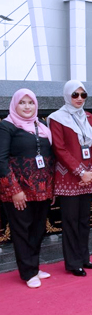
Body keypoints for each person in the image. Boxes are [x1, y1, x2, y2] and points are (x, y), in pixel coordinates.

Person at [0, 89, 54, 288]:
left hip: (42, 190)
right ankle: (28, 272)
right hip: (19, 191)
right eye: (22, 102)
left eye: (30, 102)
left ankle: (34, 265)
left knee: (38, 229)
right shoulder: (7, 126)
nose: (27, 106)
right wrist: (14, 190)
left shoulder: (41, 126)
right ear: (14, 105)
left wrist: (51, 188)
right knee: (22, 230)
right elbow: (1, 160)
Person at [48, 80, 92, 277]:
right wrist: (81, 171)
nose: (79, 99)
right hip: (69, 176)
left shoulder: (89, 117)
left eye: (83, 95)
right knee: (70, 220)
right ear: (67, 95)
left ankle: (84, 257)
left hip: (89, 174)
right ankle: (72, 262)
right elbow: (59, 148)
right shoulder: (57, 118)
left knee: (84, 220)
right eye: (75, 95)